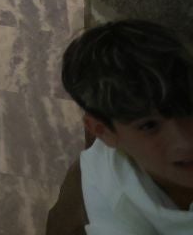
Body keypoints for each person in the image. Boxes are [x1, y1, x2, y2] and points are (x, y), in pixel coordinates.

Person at [59, 19, 193, 232]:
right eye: (149, 126)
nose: (186, 141)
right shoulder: (108, 190)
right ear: (102, 131)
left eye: (189, 110)